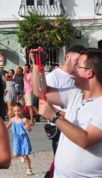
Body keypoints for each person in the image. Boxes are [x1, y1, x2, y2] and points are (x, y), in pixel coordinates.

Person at [31, 48, 102, 177]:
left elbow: (86, 140)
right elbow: (40, 91)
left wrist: (54, 116)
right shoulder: (75, 94)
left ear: (89, 73)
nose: (73, 70)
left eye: (78, 66)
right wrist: (37, 65)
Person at [45, 45, 85, 154]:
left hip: (78, 124)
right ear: (67, 56)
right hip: (60, 125)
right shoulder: (53, 77)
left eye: (80, 62)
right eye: (76, 60)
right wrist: (64, 114)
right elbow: (46, 102)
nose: (77, 64)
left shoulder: (80, 77)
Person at [7, 103, 33, 176]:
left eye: (18, 111)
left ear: (21, 110)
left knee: (26, 155)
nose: (16, 113)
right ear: (13, 111)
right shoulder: (12, 120)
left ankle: (29, 169)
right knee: (15, 155)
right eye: (15, 111)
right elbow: (7, 127)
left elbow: (30, 129)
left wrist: (28, 127)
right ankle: (21, 155)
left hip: (24, 138)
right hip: (16, 138)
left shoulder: (24, 120)